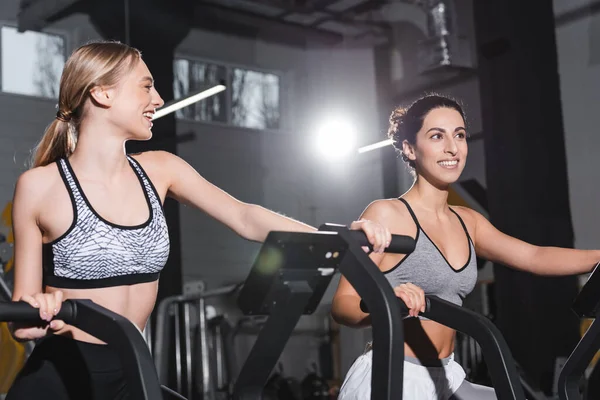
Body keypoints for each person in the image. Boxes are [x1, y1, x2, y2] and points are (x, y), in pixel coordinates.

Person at [5, 40, 392, 400]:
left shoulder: (160, 169)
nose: (157, 99)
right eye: (145, 87)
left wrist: (335, 237)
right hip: (60, 378)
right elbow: (21, 321)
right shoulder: (40, 187)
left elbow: (244, 216)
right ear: (102, 93)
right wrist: (35, 314)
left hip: (133, 370)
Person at [331, 94, 600, 400]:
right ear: (409, 148)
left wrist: (598, 258)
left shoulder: (468, 221)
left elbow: (533, 256)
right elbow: (343, 307)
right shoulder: (386, 214)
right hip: (394, 374)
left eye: (459, 135)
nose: (453, 148)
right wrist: (387, 301)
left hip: (448, 375)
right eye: (437, 136)